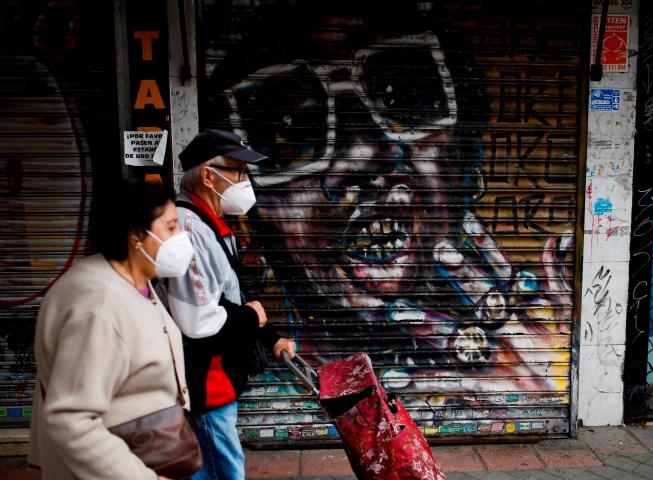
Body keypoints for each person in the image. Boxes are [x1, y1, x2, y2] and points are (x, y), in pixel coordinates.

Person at [202, 0, 575, 395]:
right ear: (250, 226)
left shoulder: (546, 355)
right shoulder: (259, 400)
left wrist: (551, 382)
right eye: (291, 131)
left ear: (468, 156)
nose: (365, 153)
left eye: (405, 98)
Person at [29, 179, 194, 479]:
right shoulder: (98, 305)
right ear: (136, 236)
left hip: (148, 452)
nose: (180, 238)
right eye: (171, 228)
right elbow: (71, 420)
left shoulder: (133, 278)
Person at [160, 129, 296, 480]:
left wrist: (271, 337)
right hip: (207, 380)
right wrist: (251, 318)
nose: (246, 181)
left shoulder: (212, 223)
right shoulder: (189, 229)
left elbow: (231, 296)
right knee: (225, 471)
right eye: (238, 171)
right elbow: (198, 321)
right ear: (208, 176)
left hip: (220, 377)